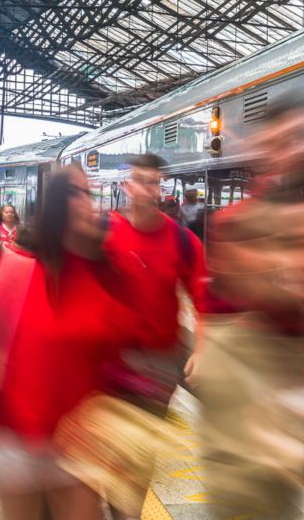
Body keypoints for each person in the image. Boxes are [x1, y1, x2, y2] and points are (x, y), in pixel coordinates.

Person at [192, 92, 304, 515]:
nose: (300, 150)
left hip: (297, 413)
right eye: (287, 140)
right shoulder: (235, 225)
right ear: (263, 148)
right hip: (242, 420)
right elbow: (225, 313)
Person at [0, 165, 162, 520]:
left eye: (91, 194)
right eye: (80, 193)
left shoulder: (102, 270)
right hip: (19, 439)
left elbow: (127, 339)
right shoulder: (14, 263)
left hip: (79, 445)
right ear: (57, 204)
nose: (91, 204)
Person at [102, 154, 206, 520]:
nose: (148, 189)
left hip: (157, 365)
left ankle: (125, 513)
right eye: (140, 181)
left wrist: (203, 348)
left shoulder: (182, 242)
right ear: (126, 186)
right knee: (111, 452)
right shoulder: (104, 234)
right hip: (105, 360)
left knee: (138, 452)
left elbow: (203, 300)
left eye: (154, 182)